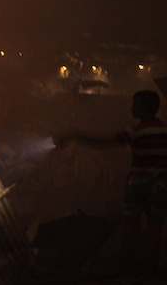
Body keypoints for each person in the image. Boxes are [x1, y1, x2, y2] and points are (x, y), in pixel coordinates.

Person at [59, 90, 167, 275]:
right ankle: (151, 271)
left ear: (145, 108)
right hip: (162, 185)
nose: (132, 108)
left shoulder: (136, 131)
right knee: (154, 229)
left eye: (135, 104)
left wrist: (76, 134)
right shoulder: (165, 130)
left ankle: (125, 270)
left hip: (138, 183)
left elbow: (107, 141)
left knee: (130, 226)